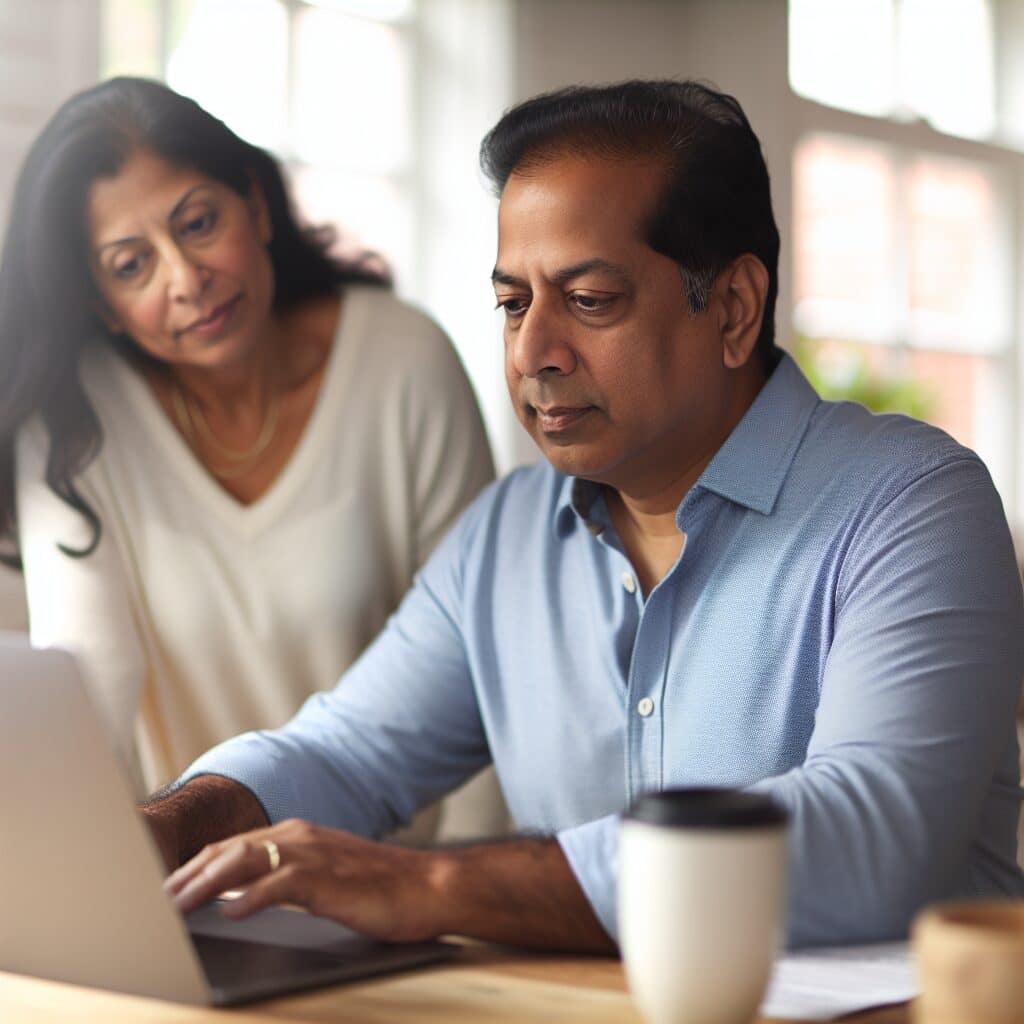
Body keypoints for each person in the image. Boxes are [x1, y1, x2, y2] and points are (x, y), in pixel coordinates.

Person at [146, 80, 1024, 952]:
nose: (532, 351)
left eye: (590, 301)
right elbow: (347, 754)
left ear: (733, 307)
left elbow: (870, 840)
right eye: (512, 302)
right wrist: (168, 829)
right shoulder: (507, 535)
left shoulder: (912, 505)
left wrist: (434, 885)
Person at [0, 77, 500, 838]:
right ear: (101, 303)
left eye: (198, 223)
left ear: (257, 205)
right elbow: (88, 689)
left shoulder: (404, 361)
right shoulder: (72, 424)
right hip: (188, 887)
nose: (185, 278)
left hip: (395, 891)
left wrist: (458, 901)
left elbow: (485, 666)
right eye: (132, 265)